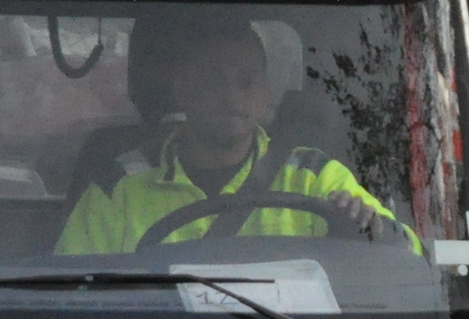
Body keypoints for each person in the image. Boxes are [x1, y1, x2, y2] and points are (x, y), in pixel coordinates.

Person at [57, 12, 408, 255]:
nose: (231, 95)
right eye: (212, 80)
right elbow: (69, 294)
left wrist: (369, 231)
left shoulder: (316, 177)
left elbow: (410, 257)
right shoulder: (117, 188)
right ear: (182, 90)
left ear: (266, 93)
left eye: (246, 81)